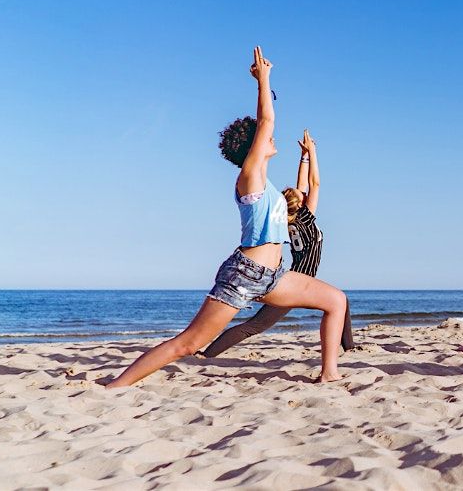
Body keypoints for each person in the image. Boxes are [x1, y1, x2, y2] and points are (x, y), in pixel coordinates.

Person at [107, 47, 349, 387]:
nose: (271, 137)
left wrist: (308, 158)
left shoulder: (268, 185)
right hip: (245, 274)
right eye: (264, 139)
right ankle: (115, 386)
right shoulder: (249, 178)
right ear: (253, 146)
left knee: (336, 300)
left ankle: (329, 374)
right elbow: (267, 121)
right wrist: (263, 80)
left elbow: (302, 180)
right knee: (189, 344)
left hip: (275, 276)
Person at [198, 129, 356, 359]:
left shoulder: (290, 217)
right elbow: (314, 183)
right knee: (255, 326)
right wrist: (313, 151)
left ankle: (349, 347)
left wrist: (303, 157)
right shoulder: (306, 218)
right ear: (300, 205)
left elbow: (302, 184)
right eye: (301, 196)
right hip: (291, 282)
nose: (303, 194)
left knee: (340, 300)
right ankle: (206, 355)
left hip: (296, 278)